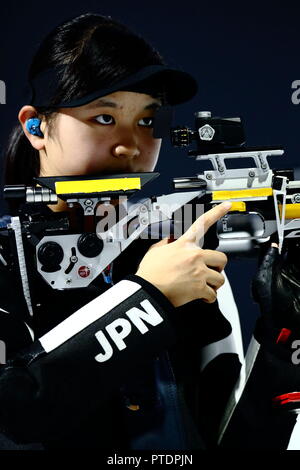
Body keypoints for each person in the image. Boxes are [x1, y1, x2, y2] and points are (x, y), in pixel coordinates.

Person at [0, 12, 240, 450]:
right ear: (35, 125)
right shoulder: (5, 260)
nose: (130, 145)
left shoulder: (181, 256)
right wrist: (149, 297)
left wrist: (282, 345)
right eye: (104, 118)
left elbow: (229, 431)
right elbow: (15, 417)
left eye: (149, 120)